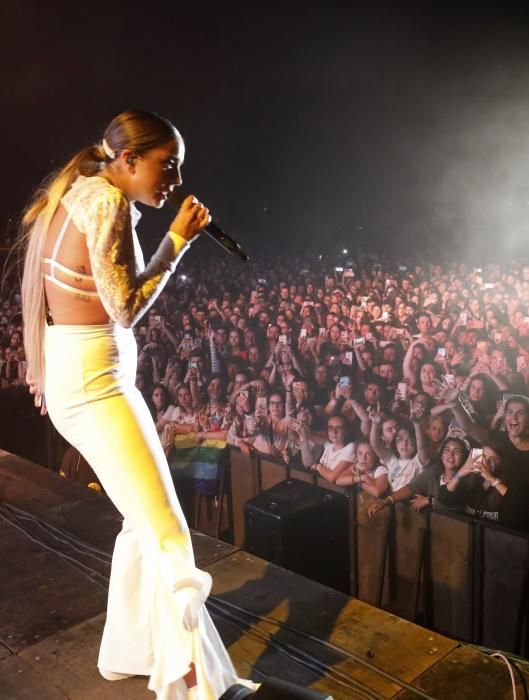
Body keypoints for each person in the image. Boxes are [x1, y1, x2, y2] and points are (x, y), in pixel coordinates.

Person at [21, 110, 256, 699]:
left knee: (139, 522)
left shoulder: (79, 189)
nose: (173, 180)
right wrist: (176, 240)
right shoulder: (106, 203)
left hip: (87, 375)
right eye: (166, 165)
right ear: (129, 160)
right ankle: (202, 686)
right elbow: (126, 307)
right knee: (170, 534)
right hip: (97, 385)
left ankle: (129, 651)